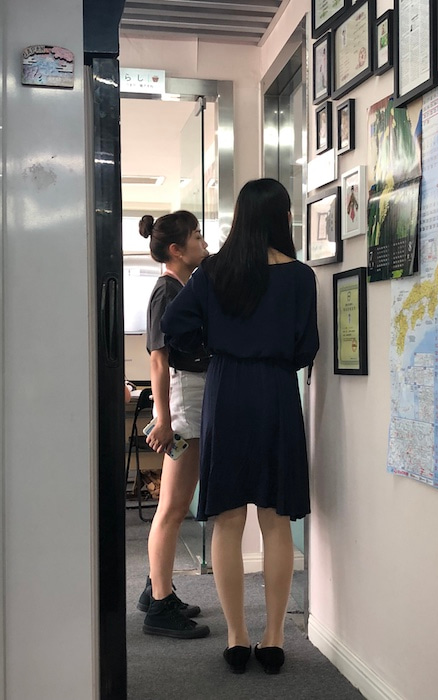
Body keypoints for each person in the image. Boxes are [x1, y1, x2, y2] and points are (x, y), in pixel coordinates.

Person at [161, 179, 319, 673]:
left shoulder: (213, 271)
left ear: (240, 218)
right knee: (276, 520)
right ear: (283, 217)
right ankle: (274, 638)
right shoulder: (300, 276)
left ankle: (236, 636)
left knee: (227, 521)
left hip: (226, 390)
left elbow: (173, 325)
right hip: (276, 393)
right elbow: (306, 347)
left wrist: (215, 347)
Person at [136, 210, 210, 640]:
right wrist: (164, 420)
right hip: (183, 402)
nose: (203, 242)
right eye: (197, 236)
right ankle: (160, 607)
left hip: (188, 398)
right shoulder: (167, 291)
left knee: (176, 505)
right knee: (173, 507)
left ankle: (156, 590)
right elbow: (158, 362)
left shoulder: (182, 287)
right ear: (177, 249)